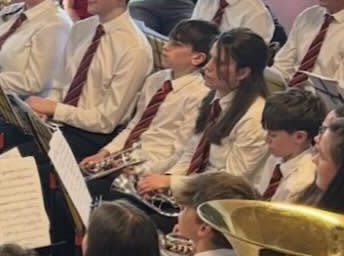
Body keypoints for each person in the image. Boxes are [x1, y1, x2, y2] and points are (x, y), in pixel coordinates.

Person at [25, 0, 154, 159]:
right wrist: (47, 108)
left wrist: (55, 109)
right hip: (58, 120)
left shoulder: (135, 49)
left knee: (17, 160)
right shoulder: (82, 29)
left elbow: (105, 121)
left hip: (90, 135)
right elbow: (60, 85)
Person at [138, 29, 271, 201]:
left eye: (220, 63)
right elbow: (190, 154)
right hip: (195, 192)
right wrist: (165, 182)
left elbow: (230, 181)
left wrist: (172, 182)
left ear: (242, 73)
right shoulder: (213, 98)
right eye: (211, 57)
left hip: (220, 202)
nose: (208, 67)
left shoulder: (254, 118)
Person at [80, 18, 213, 180]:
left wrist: (139, 171)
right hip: (126, 157)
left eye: (176, 44)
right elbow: (134, 126)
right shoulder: (156, 80)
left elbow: (179, 152)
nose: (166, 46)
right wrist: (104, 153)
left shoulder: (200, 94)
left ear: (197, 58)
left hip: (151, 169)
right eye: (169, 40)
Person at [276, 0, 344, 90]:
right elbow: (282, 65)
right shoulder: (308, 16)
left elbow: (339, 91)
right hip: (286, 97)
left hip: (322, 107)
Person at [257, 84, 326, 202]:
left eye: (273, 135)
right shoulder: (275, 158)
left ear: (299, 137)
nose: (266, 139)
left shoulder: (301, 183)